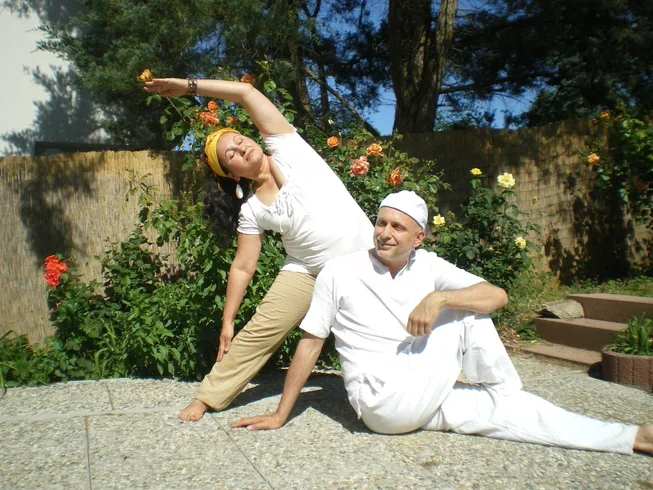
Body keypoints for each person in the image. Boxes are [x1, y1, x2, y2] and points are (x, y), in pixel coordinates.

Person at [232, 190, 653, 456]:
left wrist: (439, 296)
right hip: (380, 401)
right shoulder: (339, 271)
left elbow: (498, 295)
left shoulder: (429, 266)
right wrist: (281, 413)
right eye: (381, 222)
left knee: (518, 417)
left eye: (398, 227)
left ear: (418, 238)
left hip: (419, 393)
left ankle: (632, 437)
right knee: (466, 312)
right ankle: (504, 390)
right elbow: (310, 342)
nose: (385, 232)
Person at [143, 76, 373, 421]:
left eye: (238, 140)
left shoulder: (288, 147)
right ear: (232, 174)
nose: (240, 148)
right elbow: (243, 266)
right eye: (231, 155)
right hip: (307, 270)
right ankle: (207, 397)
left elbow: (245, 92)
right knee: (259, 331)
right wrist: (228, 321)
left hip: (366, 259)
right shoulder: (251, 210)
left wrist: (189, 86)